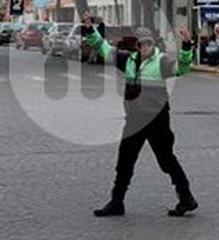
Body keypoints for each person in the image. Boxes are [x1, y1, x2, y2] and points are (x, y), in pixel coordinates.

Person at [82, 20, 198, 219]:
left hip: (157, 121)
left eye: (149, 44)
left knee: (167, 161)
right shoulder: (128, 60)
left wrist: (187, 46)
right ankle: (117, 202)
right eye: (142, 44)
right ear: (136, 45)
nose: (146, 47)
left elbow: (183, 68)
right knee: (125, 160)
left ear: (154, 45)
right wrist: (89, 30)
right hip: (135, 121)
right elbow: (104, 49)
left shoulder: (161, 61)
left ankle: (186, 198)